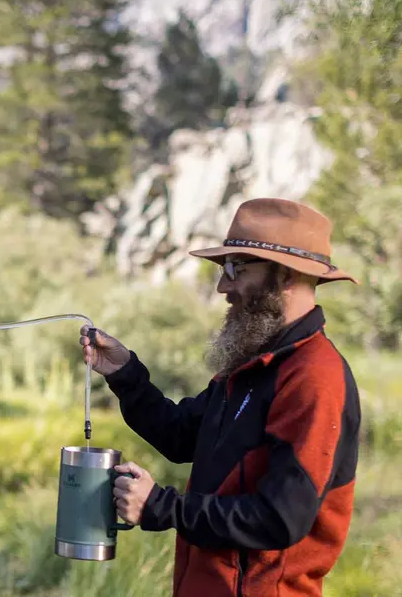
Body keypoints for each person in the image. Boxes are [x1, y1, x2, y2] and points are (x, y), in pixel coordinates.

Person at [80, 198, 361, 597]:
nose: (223, 286)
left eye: (236, 269)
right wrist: (125, 374)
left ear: (284, 276)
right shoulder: (252, 367)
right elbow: (180, 437)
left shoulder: (315, 377)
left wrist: (163, 506)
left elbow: (280, 519)